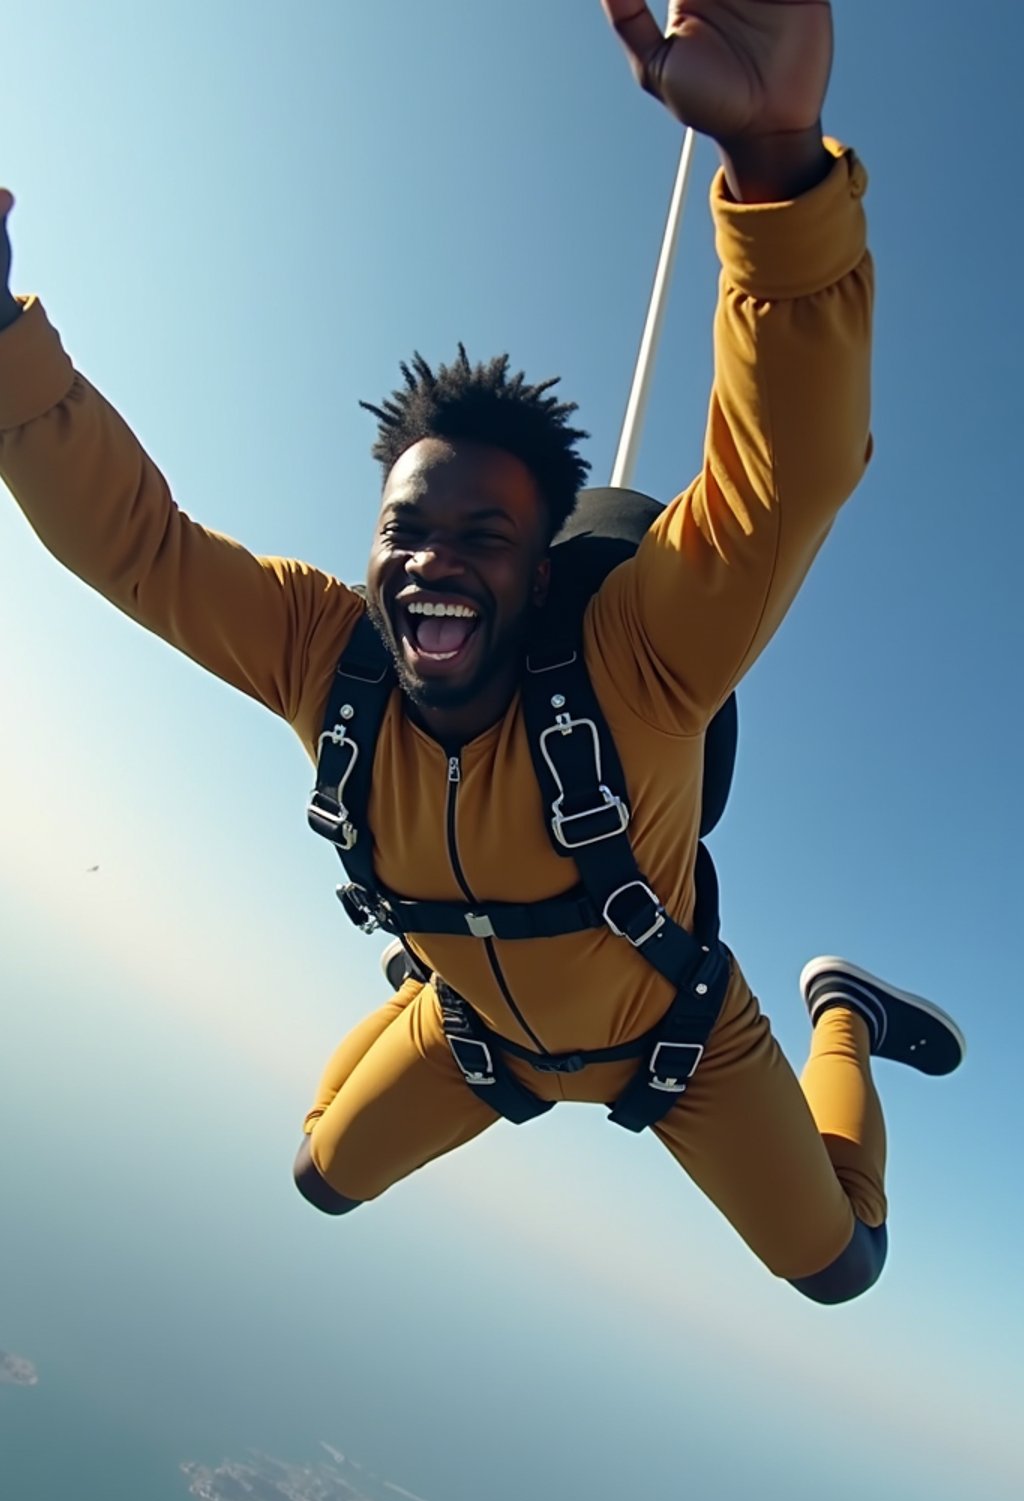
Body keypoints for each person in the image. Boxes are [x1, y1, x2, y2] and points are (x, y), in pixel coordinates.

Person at [0, 0, 963, 1305]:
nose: (430, 560)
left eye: (484, 536)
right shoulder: (321, 652)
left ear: (545, 568)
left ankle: (841, 1012)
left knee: (846, 1265)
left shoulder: (641, 657)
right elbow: (137, 547)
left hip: (679, 1042)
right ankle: (428, 970)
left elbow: (782, 477)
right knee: (317, 1173)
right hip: (477, 1035)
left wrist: (778, 168)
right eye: (405, 529)